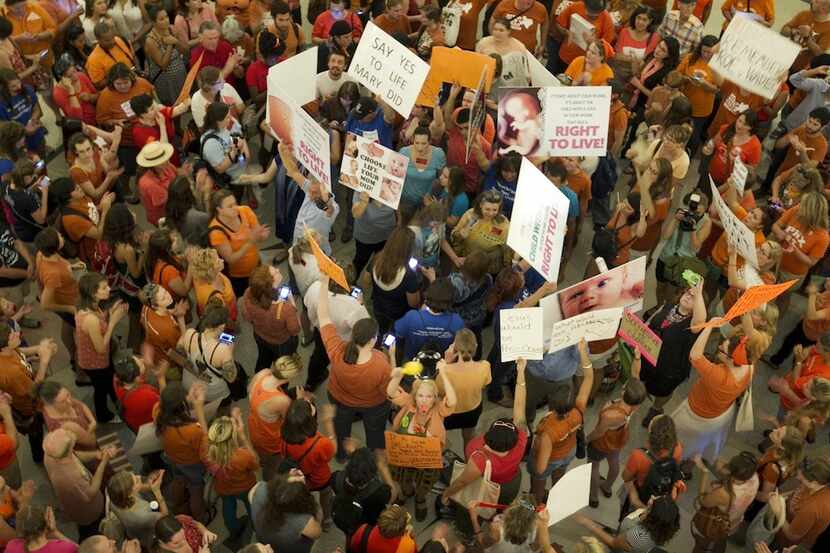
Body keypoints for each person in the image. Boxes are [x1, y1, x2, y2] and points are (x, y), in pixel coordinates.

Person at [318, 273, 392, 462]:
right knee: (375, 433)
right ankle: (375, 458)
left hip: (340, 401)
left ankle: (341, 456)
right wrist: (392, 355)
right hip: (373, 405)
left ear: (353, 335)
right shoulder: (381, 362)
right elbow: (388, 392)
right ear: (374, 339)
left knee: (341, 429)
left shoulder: (338, 350)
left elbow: (323, 316)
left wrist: (324, 282)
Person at [441, 356, 529, 509]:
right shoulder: (520, 440)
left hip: (486, 484)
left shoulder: (480, 459)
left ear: (488, 439)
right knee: (499, 509)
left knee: (481, 509)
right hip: (510, 484)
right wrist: (521, 372)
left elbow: (463, 481)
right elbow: (520, 408)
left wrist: (447, 493)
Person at [673, 321, 753, 466]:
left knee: (682, 441)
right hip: (720, 415)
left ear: (731, 359)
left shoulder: (719, 376)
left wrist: (709, 325)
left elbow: (695, 356)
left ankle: (680, 459)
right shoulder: (749, 367)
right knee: (698, 445)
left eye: (722, 350)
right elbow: (749, 335)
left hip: (696, 416)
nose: (720, 347)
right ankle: (690, 463)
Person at [386, 363, 458, 520]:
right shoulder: (408, 403)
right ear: (414, 396)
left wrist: (444, 374)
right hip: (404, 456)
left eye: (429, 396)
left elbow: (452, 401)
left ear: (435, 398)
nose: (424, 401)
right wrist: (397, 377)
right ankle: (406, 493)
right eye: (420, 396)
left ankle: (419, 499)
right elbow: (391, 392)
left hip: (427, 461)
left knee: (424, 483)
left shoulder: (438, 410)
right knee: (403, 479)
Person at [529, 338, 593, 504]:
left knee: (537, 488)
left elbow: (541, 468)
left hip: (551, 456)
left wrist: (535, 450)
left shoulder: (548, 431)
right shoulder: (578, 409)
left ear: (552, 407)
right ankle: (555, 499)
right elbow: (589, 378)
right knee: (559, 474)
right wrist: (583, 353)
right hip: (568, 451)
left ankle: (537, 505)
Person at [587, 356, 647, 508]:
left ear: (623, 391)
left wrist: (586, 439)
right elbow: (635, 375)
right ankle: (607, 487)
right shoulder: (636, 402)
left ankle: (593, 496)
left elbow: (599, 432)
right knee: (614, 463)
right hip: (618, 441)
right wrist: (637, 357)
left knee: (593, 466)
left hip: (601, 444)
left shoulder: (611, 414)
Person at [202, 410, 260, 548]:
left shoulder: (207, 451)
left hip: (224, 487)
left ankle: (234, 531)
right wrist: (243, 436)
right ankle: (255, 524)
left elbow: (204, 434)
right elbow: (256, 464)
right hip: (245, 487)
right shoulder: (242, 456)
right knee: (251, 505)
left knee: (228, 508)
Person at [75, 272, 127, 423]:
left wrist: (110, 313)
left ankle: (116, 398)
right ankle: (104, 416)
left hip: (94, 358)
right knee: (100, 389)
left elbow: (99, 320)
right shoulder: (90, 319)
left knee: (108, 379)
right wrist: (113, 323)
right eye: (104, 288)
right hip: (95, 362)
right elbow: (101, 349)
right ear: (93, 293)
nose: (109, 289)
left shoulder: (87, 306)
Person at [154, 382, 209, 523]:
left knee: (178, 479)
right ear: (181, 406)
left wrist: (188, 398)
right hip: (192, 464)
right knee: (196, 490)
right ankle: (199, 519)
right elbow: (206, 445)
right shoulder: (191, 430)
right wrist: (199, 408)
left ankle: (175, 504)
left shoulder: (158, 413)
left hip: (173, 458)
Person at [43, 428, 112, 540]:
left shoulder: (51, 454)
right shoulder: (72, 478)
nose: (70, 431)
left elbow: (75, 455)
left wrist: (95, 454)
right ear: (69, 448)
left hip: (75, 499)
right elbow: (91, 493)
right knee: (91, 531)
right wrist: (103, 462)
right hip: (88, 511)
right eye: (68, 433)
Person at [436, 329, 491, 450]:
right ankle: (468, 460)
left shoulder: (445, 372)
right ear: (475, 346)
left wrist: (447, 361)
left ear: (455, 348)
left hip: (449, 412)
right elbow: (485, 384)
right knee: (469, 437)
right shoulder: (485, 366)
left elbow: (438, 392)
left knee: (441, 436)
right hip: (472, 409)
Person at [242, 264, 300, 370]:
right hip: (281, 344)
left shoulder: (249, 293)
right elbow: (295, 330)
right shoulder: (285, 309)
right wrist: (291, 302)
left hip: (260, 336)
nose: (278, 269)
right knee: (282, 367)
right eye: (275, 272)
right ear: (271, 284)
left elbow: (247, 317)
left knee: (263, 358)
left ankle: (259, 377)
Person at [575, 495, 681, 553]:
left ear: (651, 514)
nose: (652, 496)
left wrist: (588, 523)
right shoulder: (658, 522)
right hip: (626, 538)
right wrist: (630, 485)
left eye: (654, 500)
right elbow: (636, 503)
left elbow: (613, 543)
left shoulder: (637, 535)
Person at [393, 278, 465, 361]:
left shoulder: (412, 317)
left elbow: (399, 334)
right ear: (451, 301)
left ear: (427, 297)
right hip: (442, 362)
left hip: (413, 361)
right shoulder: (457, 321)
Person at [249, 472, 322, 553]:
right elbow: (317, 533)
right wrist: (303, 488)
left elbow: (250, 496)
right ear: (301, 501)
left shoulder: (260, 489)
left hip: (264, 541)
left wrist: (288, 480)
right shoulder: (303, 522)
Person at [179, 304, 237, 404]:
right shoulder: (223, 350)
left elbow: (179, 349)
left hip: (189, 382)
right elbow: (231, 378)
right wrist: (230, 351)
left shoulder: (189, 333)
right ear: (222, 326)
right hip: (211, 390)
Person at [369, 227, 421, 334]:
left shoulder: (377, 259)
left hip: (378, 307)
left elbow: (366, 282)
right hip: (398, 314)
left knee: (382, 328)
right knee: (395, 332)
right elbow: (414, 303)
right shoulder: (408, 275)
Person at [774, 457, 830, 549]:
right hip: (787, 520)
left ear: (814, 483)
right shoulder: (819, 483)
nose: (797, 478)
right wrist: (782, 496)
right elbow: (798, 490)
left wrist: (777, 511)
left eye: (801, 478)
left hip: (789, 545)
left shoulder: (812, 508)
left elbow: (792, 536)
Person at [107, 470, 167, 549]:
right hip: (148, 534)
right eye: (136, 481)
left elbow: (137, 488)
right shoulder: (141, 516)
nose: (139, 477)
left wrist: (150, 486)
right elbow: (165, 516)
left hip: (132, 531)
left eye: (134, 475)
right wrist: (157, 491)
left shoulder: (114, 497)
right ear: (130, 494)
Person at [112, 350, 165, 434]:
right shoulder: (146, 395)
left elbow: (140, 379)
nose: (142, 359)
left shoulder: (117, 378)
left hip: (132, 418)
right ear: (137, 378)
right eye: (140, 363)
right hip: (146, 426)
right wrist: (161, 377)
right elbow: (165, 404)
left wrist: (146, 366)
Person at [35, 380, 97, 450]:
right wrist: (91, 428)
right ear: (51, 404)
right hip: (86, 449)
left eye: (68, 394)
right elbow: (91, 442)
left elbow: (81, 404)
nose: (69, 401)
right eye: (63, 401)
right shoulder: (66, 425)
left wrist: (92, 420)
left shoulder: (56, 401)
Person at [398, 126, 447, 209]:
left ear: (430, 141)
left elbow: (441, 179)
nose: (420, 148)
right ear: (413, 140)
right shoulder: (404, 152)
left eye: (424, 143)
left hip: (426, 202)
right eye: (417, 143)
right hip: (405, 201)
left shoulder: (438, 154)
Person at [0, 69, 44, 154]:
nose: (19, 87)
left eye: (19, 82)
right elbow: (4, 130)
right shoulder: (2, 104)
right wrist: (24, 131)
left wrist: (34, 119)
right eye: (13, 86)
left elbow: (36, 109)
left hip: (37, 136)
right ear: (4, 88)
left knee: (42, 161)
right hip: (19, 146)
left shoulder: (28, 89)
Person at [85, 21, 138, 88]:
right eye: (107, 40)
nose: (112, 42)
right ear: (98, 40)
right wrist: (118, 77)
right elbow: (98, 84)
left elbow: (132, 57)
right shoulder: (93, 59)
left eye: (113, 37)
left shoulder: (119, 40)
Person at [5, 505, 77, 553]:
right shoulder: (64, 548)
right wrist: (55, 531)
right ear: (46, 525)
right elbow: (82, 550)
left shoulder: (12, 547)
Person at [349, 505, 415, 553]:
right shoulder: (407, 545)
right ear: (401, 531)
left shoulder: (363, 531)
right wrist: (410, 536)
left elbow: (353, 547)